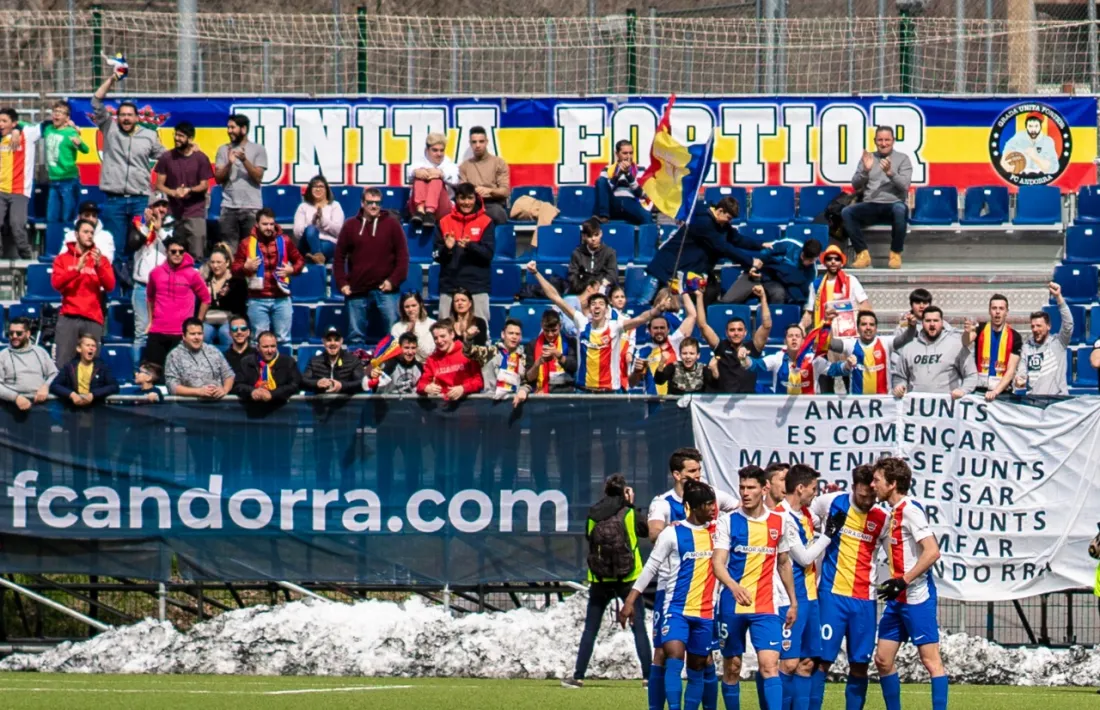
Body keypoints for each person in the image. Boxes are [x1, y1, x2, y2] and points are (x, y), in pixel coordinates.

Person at [646, 447, 740, 710]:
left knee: (705, 658)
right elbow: (654, 533)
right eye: (691, 471)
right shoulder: (663, 502)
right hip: (670, 588)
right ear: (677, 474)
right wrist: (672, 528)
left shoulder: (711, 496)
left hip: (705, 589)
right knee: (663, 653)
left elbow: (741, 510)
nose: (697, 476)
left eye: (699, 470)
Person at [619, 479, 717, 710]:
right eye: (708, 504)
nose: (713, 508)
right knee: (673, 656)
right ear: (693, 507)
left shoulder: (720, 531)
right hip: (676, 609)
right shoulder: (672, 533)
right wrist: (630, 601)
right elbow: (651, 567)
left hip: (705, 612)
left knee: (697, 666)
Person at [809, 464, 892, 710]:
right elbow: (805, 518)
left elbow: (892, 553)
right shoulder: (831, 502)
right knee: (821, 661)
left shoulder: (882, 518)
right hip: (831, 596)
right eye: (863, 495)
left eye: (872, 496)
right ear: (853, 487)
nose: (868, 501)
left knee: (860, 664)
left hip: (864, 600)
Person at [561, 474, 652, 690]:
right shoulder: (629, 513)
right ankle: (649, 677)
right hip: (628, 578)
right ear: (624, 493)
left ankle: (578, 675)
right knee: (638, 627)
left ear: (605, 491)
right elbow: (645, 531)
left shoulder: (594, 514)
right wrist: (631, 504)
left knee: (590, 629)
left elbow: (588, 537)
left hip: (600, 579)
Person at [871, 457, 948, 710]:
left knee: (930, 661)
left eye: (877, 480)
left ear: (892, 484)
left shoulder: (910, 510)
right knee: (882, 659)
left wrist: (903, 581)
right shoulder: (891, 512)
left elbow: (932, 551)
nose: (873, 485)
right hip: (898, 600)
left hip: (917, 598)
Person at [527, 262, 661, 392]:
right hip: (584, 391)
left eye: (601, 304)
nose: (597, 306)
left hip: (609, 393)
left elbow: (641, 318)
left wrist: (656, 310)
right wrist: (536, 273)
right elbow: (555, 297)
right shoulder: (582, 322)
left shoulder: (616, 326)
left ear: (606, 309)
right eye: (593, 304)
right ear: (590, 309)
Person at [91, 72, 165, 255]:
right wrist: (112, 79)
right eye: (122, 115)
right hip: (114, 200)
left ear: (137, 118)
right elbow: (95, 102)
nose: (126, 118)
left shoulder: (149, 135)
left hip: (139, 200)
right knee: (113, 250)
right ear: (117, 117)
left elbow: (167, 157)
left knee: (139, 248)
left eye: (130, 115)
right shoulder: (110, 129)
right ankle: (116, 284)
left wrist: (188, 149)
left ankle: (137, 284)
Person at [647, 198, 764, 305]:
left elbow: (737, 239)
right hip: (666, 268)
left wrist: (761, 245)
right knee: (648, 303)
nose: (728, 222)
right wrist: (750, 261)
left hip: (685, 271)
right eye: (728, 218)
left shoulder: (721, 224)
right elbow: (723, 247)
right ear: (720, 211)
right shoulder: (702, 221)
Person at [334, 187, 408, 346]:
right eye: (370, 202)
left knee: (394, 335)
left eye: (377, 203)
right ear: (362, 203)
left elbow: (403, 257)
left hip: (386, 291)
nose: (374, 206)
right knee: (355, 337)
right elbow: (339, 258)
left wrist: (392, 281)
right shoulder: (350, 225)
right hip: (357, 291)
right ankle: (356, 369)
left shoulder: (392, 225)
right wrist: (342, 283)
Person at [232, 208, 305, 347]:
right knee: (258, 341)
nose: (269, 227)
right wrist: (245, 268)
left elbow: (300, 261)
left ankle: (282, 369)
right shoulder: (246, 243)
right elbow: (234, 270)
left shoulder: (285, 241)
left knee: (283, 340)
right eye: (265, 224)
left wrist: (292, 269)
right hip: (257, 298)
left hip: (282, 297)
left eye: (271, 224)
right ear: (257, 224)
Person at [843, 126, 913, 270]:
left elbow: (905, 186)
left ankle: (895, 254)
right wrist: (865, 171)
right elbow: (855, 185)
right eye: (880, 140)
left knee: (900, 209)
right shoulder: (868, 158)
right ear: (875, 141)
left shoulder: (903, 159)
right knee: (847, 212)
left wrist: (890, 173)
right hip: (870, 205)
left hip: (893, 205)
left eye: (887, 140)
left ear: (893, 141)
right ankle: (862, 254)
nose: (883, 143)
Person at [51, 219, 115, 367]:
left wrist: (99, 266)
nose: (89, 236)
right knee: (64, 363)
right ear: (76, 234)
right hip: (69, 316)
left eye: (92, 233)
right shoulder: (63, 259)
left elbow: (110, 286)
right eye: (85, 232)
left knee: (91, 365)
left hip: (93, 317)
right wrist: (75, 269)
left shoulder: (101, 259)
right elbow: (56, 284)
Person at [145, 236, 212, 369]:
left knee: (180, 374)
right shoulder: (155, 273)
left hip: (181, 333)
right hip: (158, 330)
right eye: (173, 251)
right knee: (153, 372)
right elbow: (150, 298)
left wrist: (197, 323)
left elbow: (206, 299)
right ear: (166, 252)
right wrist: (151, 321)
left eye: (181, 252)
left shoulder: (192, 274)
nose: (177, 254)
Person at [434, 183, 495, 323]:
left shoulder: (486, 222)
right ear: (456, 199)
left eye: (470, 198)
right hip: (450, 285)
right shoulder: (444, 222)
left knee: (480, 330)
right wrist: (447, 249)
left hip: (477, 285)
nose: (466, 202)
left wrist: (470, 246)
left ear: (475, 199)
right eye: (462, 198)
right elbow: (436, 255)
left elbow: (488, 254)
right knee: (444, 330)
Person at [153, 121, 213, 258]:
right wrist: (173, 192)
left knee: (197, 255)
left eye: (181, 136)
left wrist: (189, 190)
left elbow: (204, 185)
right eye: (176, 135)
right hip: (173, 214)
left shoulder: (201, 158)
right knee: (174, 254)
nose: (176, 138)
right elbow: (159, 184)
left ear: (190, 139)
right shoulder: (166, 158)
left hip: (195, 214)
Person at [694, 288, 772, 394]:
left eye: (740, 330)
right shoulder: (720, 346)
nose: (736, 333)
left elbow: (766, 326)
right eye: (732, 330)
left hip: (748, 400)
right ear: (726, 333)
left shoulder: (754, 346)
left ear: (745, 332)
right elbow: (703, 326)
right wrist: (699, 297)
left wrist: (763, 297)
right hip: (724, 401)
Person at [893, 306, 977, 399]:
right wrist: (899, 387)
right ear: (922, 323)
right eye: (928, 321)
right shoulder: (909, 347)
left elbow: (971, 375)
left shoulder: (956, 344)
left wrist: (963, 390)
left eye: (936, 321)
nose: (932, 324)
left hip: (946, 408)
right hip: (916, 409)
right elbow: (900, 377)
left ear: (942, 322)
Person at [129, 194, 173, 365]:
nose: (161, 209)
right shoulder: (138, 224)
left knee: (164, 332)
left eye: (164, 206)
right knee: (141, 333)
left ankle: (160, 374)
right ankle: (138, 373)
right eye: (158, 205)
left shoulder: (172, 226)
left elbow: (177, 247)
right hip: (142, 287)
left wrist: (160, 230)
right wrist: (148, 228)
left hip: (165, 289)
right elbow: (132, 244)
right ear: (150, 208)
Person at [827, 311, 916, 395]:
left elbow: (906, 338)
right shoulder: (850, 344)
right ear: (857, 328)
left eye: (872, 324)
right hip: (858, 403)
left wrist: (912, 326)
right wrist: (826, 323)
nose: (868, 327)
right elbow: (828, 344)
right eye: (864, 324)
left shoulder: (886, 342)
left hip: (884, 402)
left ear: (876, 328)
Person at [40, 101, 90, 253]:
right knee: (51, 217)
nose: (56, 114)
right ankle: (52, 250)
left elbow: (86, 149)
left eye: (60, 112)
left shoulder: (70, 132)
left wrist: (79, 141)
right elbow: (26, 125)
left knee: (67, 217)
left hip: (68, 180)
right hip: (53, 181)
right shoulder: (48, 129)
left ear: (67, 117)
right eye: (55, 111)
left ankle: (69, 250)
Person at [214, 113, 268, 250]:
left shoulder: (258, 149)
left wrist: (244, 160)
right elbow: (218, 178)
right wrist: (229, 163)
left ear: (243, 129)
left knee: (250, 250)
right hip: (228, 207)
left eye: (232, 127)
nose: (229, 131)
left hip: (251, 208)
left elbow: (258, 177)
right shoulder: (223, 149)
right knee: (229, 250)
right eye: (228, 127)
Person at [628, 293, 698, 395]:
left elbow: (692, 316)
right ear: (649, 330)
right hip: (654, 403)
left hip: (676, 401)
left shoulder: (676, 342)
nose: (659, 331)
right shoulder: (642, 351)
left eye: (662, 328)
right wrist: (636, 372)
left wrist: (684, 291)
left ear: (668, 329)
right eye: (655, 328)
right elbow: (631, 383)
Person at [962, 293, 1023, 400]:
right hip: (979, 390)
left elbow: (1011, 370)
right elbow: (965, 342)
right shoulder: (980, 328)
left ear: (1006, 312)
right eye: (994, 308)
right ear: (989, 311)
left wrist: (995, 391)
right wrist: (966, 332)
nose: (997, 312)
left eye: (1001, 308)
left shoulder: (1015, 336)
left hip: (1002, 392)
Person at [726, 238, 822, 305]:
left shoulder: (811, 272)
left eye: (811, 261)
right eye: (805, 258)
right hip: (759, 273)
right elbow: (765, 253)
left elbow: (806, 292)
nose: (806, 262)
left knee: (778, 293)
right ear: (802, 252)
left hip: (776, 283)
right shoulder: (790, 245)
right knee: (728, 301)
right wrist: (755, 267)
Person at [801, 244, 871, 332]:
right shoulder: (815, 285)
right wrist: (801, 327)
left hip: (846, 333)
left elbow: (865, 306)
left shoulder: (851, 280)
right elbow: (809, 313)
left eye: (837, 259)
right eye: (829, 259)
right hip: (823, 334)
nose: (833, 261)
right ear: (825, 263)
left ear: (841, 263)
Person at [0, 108, 38, 259]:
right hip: (1, 189)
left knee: (17, 226)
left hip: (19, 190)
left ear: (13, 123)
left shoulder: (27, 134)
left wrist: (17, 128)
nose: (0, 124)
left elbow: (45, 126)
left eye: (4, 121)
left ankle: (26, 258)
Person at [163, 318, 235, 398]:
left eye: (199, 333)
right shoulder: (174, 356)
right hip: (188, 406)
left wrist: (224, 389)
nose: (197, 337)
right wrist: (198, 392)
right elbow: (172, 387)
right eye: (192, 334)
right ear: (184, 336)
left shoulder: (213, 350)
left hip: (217, 404)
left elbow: (229, 375)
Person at [463, 318, 527, 406]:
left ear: (521, 337)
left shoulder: (524, 358)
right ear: (503, 335)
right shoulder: (490, 352)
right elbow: (468, 352)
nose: (514, 337)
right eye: (511, 333)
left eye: (517, 334)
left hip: (514, 404)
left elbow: (526, 382)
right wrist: (468, 338)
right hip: (489, 404)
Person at [415, 319, 483, 401]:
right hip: (442, 408)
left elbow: (479, 382)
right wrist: (426, 388)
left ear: (452, 335)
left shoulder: (468, 352)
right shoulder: (432, 359)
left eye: (443, 336)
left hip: (467, 406)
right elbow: (420, 385)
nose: (439, 341)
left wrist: (463, 388)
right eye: (435, 338)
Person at [0, 317, 57, 410]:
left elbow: (54, 374)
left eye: (19, 333)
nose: (14, 336)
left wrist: (46, 386)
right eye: (10, 333)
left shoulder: (40, 352)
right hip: (12, 407)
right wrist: (15, 397)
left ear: (28, 334)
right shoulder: (2, 356)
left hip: (41, 405)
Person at [458, 126, 510, 225]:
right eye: (474, 142)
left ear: (486, 142)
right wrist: (473, 191)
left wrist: (490, 190)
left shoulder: (499, 163)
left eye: (481, 141)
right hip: (471, 204)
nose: (477, 145)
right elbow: (462, 190)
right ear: (470, 143)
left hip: (492, 203)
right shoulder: (464, 166)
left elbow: (505, 191)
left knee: (497, 213)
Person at [49, 334, 118, 407]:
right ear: (79, 349)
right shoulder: (69, 367)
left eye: (93, 346)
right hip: (73, 410)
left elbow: (114, 386)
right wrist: (71, 394)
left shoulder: (102, 367)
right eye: (88, 345)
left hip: (96, 409)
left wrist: (93, 395)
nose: (91, 348)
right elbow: (55, 385)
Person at [407, 132, 459, 227]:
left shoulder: (449, 164)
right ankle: (421, 210)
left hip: (441, 207)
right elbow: (409, 175)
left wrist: (441, 174)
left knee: (437, 178)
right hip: (417, 208)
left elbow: (455, 181)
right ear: (427, 150)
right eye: (435, 150)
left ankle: (429, 212)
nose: (439, 154)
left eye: (441, 150)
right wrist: (416, 172)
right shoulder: (418, 162)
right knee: (420, 174)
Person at [232, 330, 300, 403]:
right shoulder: (246, 362)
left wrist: (272, 394)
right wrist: (252, 391)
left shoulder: (288, 362)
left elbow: (295, 385)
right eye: (265, 347)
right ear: (258, 347)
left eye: (273, 346)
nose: (270, 350)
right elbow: (237, 385)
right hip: (253, 408)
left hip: (280, 407)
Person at [200, 243, 248, 348]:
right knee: (205, 333)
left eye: (219, 262)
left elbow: (239, 307)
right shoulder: (205, 280)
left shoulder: (236, 281)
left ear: (227, 263)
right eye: (212, 262)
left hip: (230, 319)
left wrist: (227, 294)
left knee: (225, 332)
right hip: (208, 318)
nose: (215, 266)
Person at [595, 140, 652, 225]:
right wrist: (617, 176)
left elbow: (643, 195)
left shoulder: (640, 170)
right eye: (625, 153)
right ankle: (604, 216)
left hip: (631, 202)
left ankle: (646, 238)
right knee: (600, 180)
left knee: (647, 217)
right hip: (613, 202)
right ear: (617, 154)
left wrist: (629, 175)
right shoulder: (607, 169)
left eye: (631, 153)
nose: (628, 156)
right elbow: (604, 190)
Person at [523, 309, 577, 395]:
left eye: (554, 330)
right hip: (541, 393)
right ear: (541, 326)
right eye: (546, 330)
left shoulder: (570, 342)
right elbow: (528, 378)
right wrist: (537, 364)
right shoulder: (532, 345)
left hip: (566, 392)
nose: (550, 334)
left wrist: (559, 355)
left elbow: (575, 367)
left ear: (560, 326)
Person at [293, 174, 345, 265]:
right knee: (311, 229)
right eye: (315, 186)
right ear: (310, 189)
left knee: (324, 247)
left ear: (326, 190)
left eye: (321, 186)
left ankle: (312, 257)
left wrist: (322, 221)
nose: (318, 189)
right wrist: (312, 222)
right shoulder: (303, 207)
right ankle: (318, 257)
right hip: (306, 244)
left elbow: (340, 231)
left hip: (328, 243)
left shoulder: (335, 206)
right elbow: (297, 233)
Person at [302, 326, 364, 395]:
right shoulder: (314, 361)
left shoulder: (353, 360)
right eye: (329, 340)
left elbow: (362, 383)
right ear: (323, 341)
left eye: (336, 340)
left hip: (346, 404)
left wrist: (342, 385)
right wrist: (317, 383)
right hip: (320, 404)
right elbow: (302, 382)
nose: (332, 343)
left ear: (341, 341)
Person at [568, 218, 619, 294]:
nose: (593, 239)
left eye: (596, 235)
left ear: (601, 233)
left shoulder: (610, 252)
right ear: (584, 236)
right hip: (582, 289)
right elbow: (572, 275)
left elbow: (612, 274)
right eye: (589, 236)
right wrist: (582, 288)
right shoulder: (577, 253)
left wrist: (602, 287)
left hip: (602, 289)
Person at [390, 291, 435, 363]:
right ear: (402, 308)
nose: (411, 309)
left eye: (414, 305)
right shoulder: (396, 328)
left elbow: (428, 353)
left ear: (420, 305)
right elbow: (397, 354)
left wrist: (414, 333)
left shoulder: (431, 324)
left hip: (425, 365)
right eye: (407, 307)